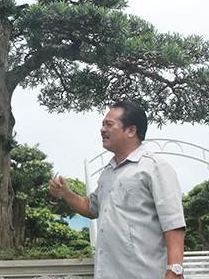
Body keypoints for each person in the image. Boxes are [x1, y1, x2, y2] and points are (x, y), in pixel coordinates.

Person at [49, 101, 186, 279]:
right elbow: (92, 208)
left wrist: (175, 271)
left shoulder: (155, 167)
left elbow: (173, 224)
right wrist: (65, 193)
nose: (102, 129)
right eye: (102, 124)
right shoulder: (108, 172)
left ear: (131, 130)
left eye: (109, 124)